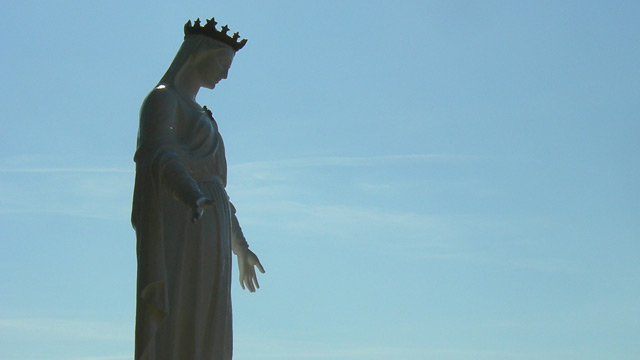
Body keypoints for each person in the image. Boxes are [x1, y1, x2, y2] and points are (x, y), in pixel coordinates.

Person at [131, 18, 264, 360]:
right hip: (185, 220)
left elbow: (220, 191)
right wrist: (189, 193)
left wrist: (241, 246)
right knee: (183, 309)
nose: (225, 74)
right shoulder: (163, 101)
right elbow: (159, 155)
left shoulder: (204, 116)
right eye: (222, 63)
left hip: (213, 227)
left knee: (209, 319)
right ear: (198, 54)